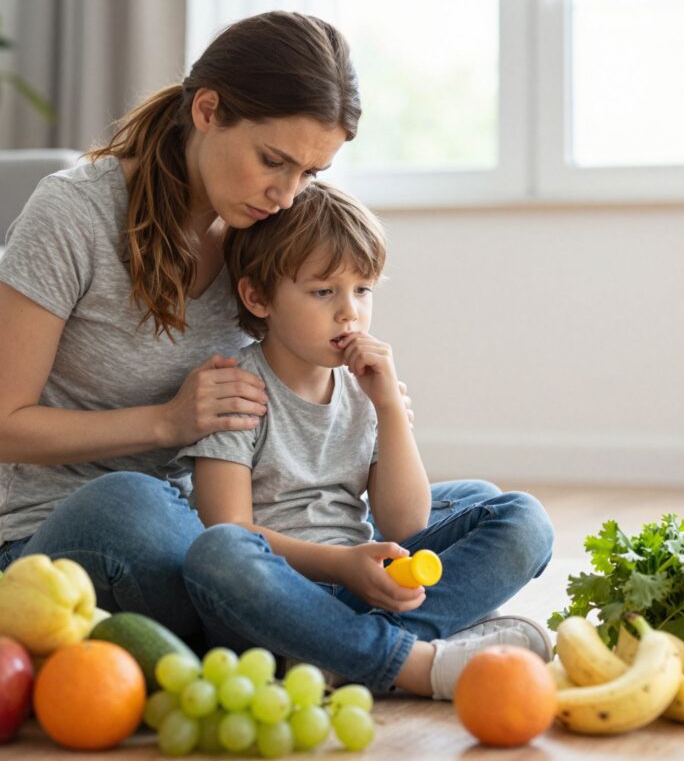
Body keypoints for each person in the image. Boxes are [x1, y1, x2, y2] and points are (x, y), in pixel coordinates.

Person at [0, 11, 365, 650]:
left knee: (497, 514)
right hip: (72, 540)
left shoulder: (265, 225)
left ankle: (316, 631)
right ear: (207, 110)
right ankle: (389, 647)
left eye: (310, 175)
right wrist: (168, 423)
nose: (287, 195)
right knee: (133, 503)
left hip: (228, 528)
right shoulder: (72, 214)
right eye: (274, 161)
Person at [177, 181, 555, 699]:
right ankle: (417, 654)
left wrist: (389, 408)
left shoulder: (363, 386)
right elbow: (230, 529)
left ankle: (349, 655)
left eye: (362, 289)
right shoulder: (237, 390)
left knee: (518, 516)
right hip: (278, 599)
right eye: (323, 291)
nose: (349, 311)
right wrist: (342, 567)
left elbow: (405, 523)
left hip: (365, 580)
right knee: (217, 553)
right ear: (257, 297)